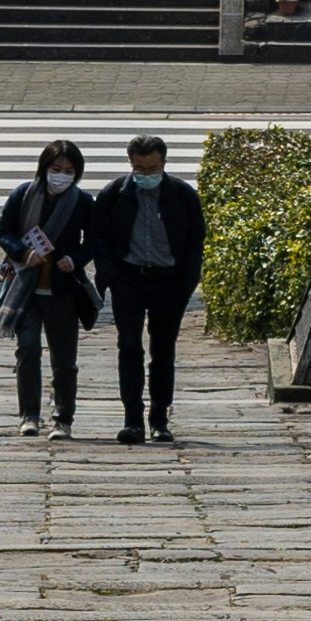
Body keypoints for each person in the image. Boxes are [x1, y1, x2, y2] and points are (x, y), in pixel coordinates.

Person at [92, 125, 201, 443]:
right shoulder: (115, 193)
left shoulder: (181, 194)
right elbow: (98, 235)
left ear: (164, 164)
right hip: (128, 280)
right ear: (131, 164)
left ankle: (159, 418)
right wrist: (108, 274)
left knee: (163, 351)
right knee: (129, 347)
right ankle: (132, 419)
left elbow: (196, 239)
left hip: (170, 282)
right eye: (140, 168)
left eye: (153, 168)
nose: (146, 174)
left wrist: (188, 281)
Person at [0, 135, 99, 433]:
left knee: (64, 359)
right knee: (28, 350)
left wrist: (75, 260)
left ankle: (63, 418)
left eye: (69, 171)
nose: (61, 176)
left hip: (62, 290)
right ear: (44, 167)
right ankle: (29, 414)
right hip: (25, 288)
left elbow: (94, 242)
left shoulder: (82, 202)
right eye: (56, 168)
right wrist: (23, 253)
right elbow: (3, 231)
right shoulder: (23, 195)